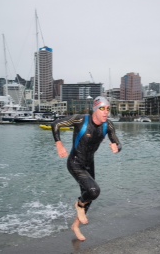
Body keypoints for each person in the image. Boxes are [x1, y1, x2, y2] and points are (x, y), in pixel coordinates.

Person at [51, 96, 122, 241]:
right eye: (102, 108)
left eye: (108, 109)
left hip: (89, 164)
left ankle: (75, 225)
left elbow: (118, 143)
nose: (106, 112)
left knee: (89, 195)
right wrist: (59, 143)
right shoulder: (81, 120)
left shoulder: (108, 126)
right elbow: (56, 123)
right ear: (95, 109)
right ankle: (79, 204)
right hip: (75, 162)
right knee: (93, 191)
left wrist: (117, 147)